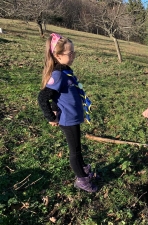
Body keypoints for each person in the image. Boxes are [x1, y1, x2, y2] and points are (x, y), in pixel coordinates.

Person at [38, 33, 97, 192]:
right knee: (74, 151)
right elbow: (43, 98)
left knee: (77, 148)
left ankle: (82, 169)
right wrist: (51, 117)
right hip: (67, 119)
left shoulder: (65, 71)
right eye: (70, 53)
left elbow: (56, 97)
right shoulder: (57, 75)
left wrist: (56, 108)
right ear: (57, 55)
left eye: (74, 52)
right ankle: (82, 180)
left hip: (73, 117)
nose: (73, 56)